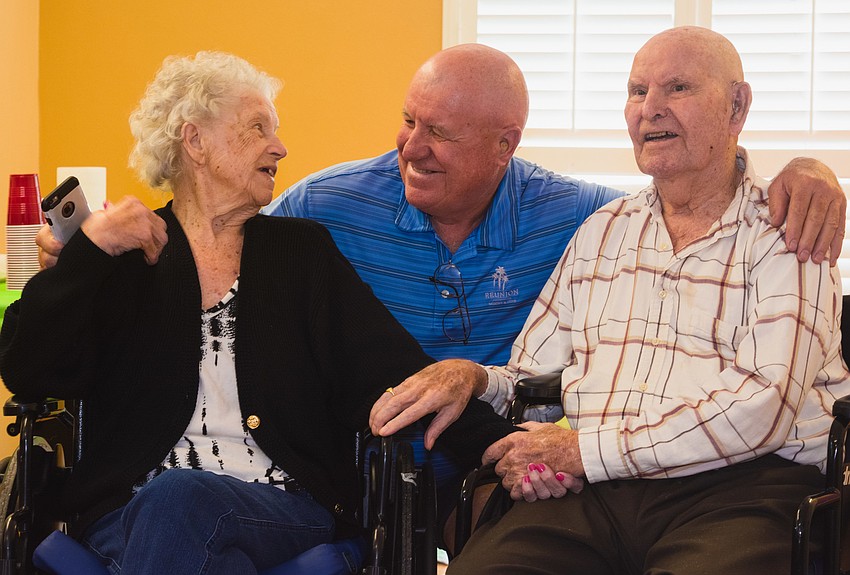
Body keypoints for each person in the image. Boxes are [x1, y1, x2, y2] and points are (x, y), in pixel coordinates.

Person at [0, 51, 516, 574]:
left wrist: (508, 445)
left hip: (280, 510)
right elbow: (29, 368)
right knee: (190, 526)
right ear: (195, 141)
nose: (281, 147)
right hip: (130, 514)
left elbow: (392, 368)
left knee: (184, 502)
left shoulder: (300, 254)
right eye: (257, 128)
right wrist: (86, 254)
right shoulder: (125, 257)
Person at [373, 27, 850, 574]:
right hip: (594, 491)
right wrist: (477, 379)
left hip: (746, 489)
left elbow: (761, 411)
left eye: (678, 88)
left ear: (736, 105)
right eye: (636, 91)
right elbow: (535, 380)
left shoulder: (791, 228)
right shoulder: (603, 229)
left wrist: (582, 451)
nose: (651, 109)